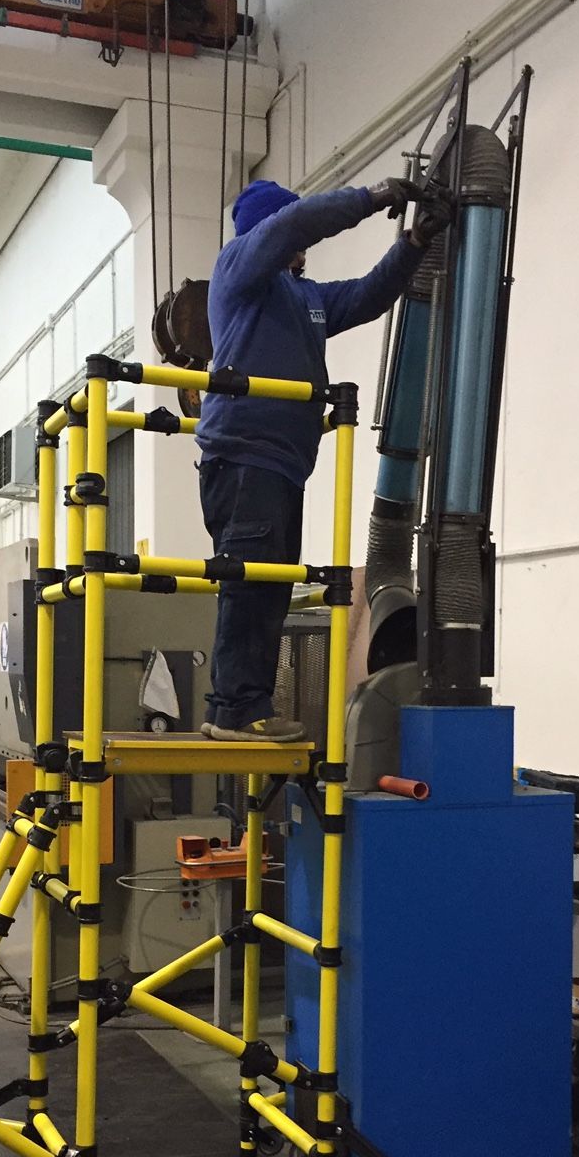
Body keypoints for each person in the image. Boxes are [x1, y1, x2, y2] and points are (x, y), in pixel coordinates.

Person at [195, 174, 451, 742]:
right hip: (243, 457)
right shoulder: (239, 271)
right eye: (290, 233)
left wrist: (412, 245)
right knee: (250, 581)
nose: (302, 244)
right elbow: (296, 222)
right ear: (266, 232)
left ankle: (246, 708)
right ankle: (233, 710)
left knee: (272, 585)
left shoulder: (305, 298)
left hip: (287, 464)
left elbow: (365, 295)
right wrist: (372, 197)